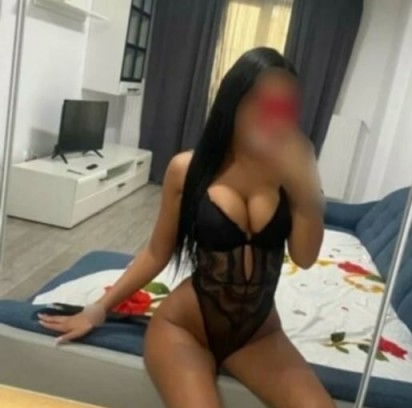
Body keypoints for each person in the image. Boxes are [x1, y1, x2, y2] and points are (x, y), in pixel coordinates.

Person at [37, 47, 335, 408]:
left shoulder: (290, 177)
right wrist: (98, 309)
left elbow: (304, 257)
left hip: (259, 336)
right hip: (185, 329)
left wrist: (307, 188)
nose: (270, 115)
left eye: (283, 106)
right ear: (234, 101)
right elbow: (156, 252)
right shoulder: (188, 169)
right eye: (259, 100)